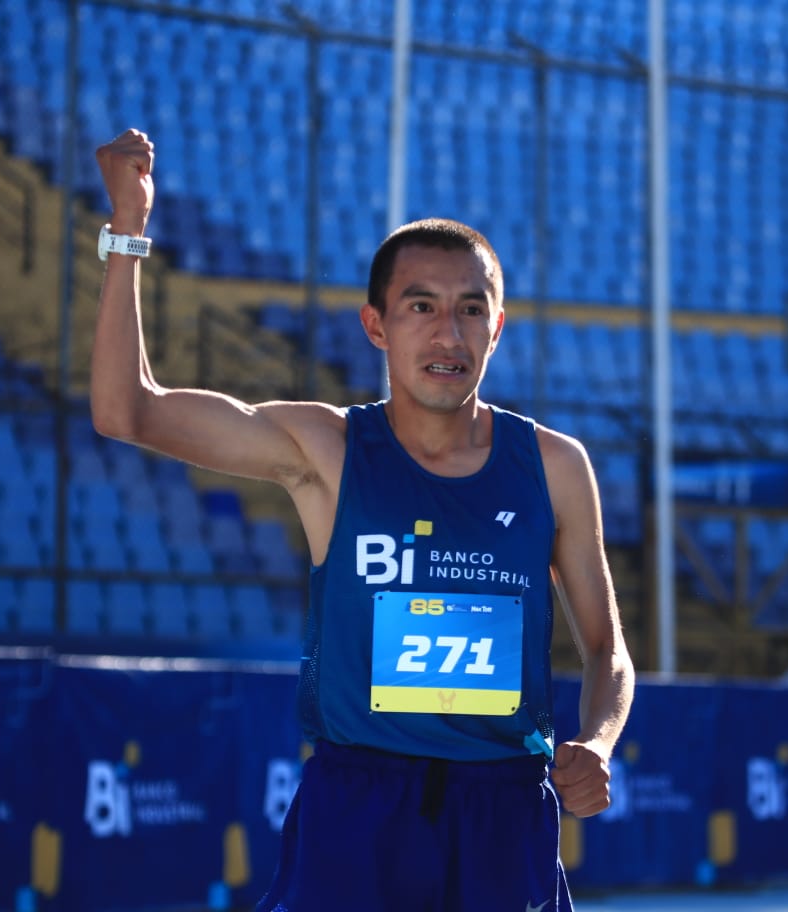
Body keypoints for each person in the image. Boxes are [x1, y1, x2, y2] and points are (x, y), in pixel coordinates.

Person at [91, 129, 635, 911]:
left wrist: (600, 742)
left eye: (470, 310)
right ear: (376, 325)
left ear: (498, 327)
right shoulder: (328, 450)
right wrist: (128, 226)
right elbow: (126, 410)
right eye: (422, 307)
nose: (448, 335)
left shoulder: (554, 466)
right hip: (359, 810)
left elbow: (608, 649)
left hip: (504, 817)